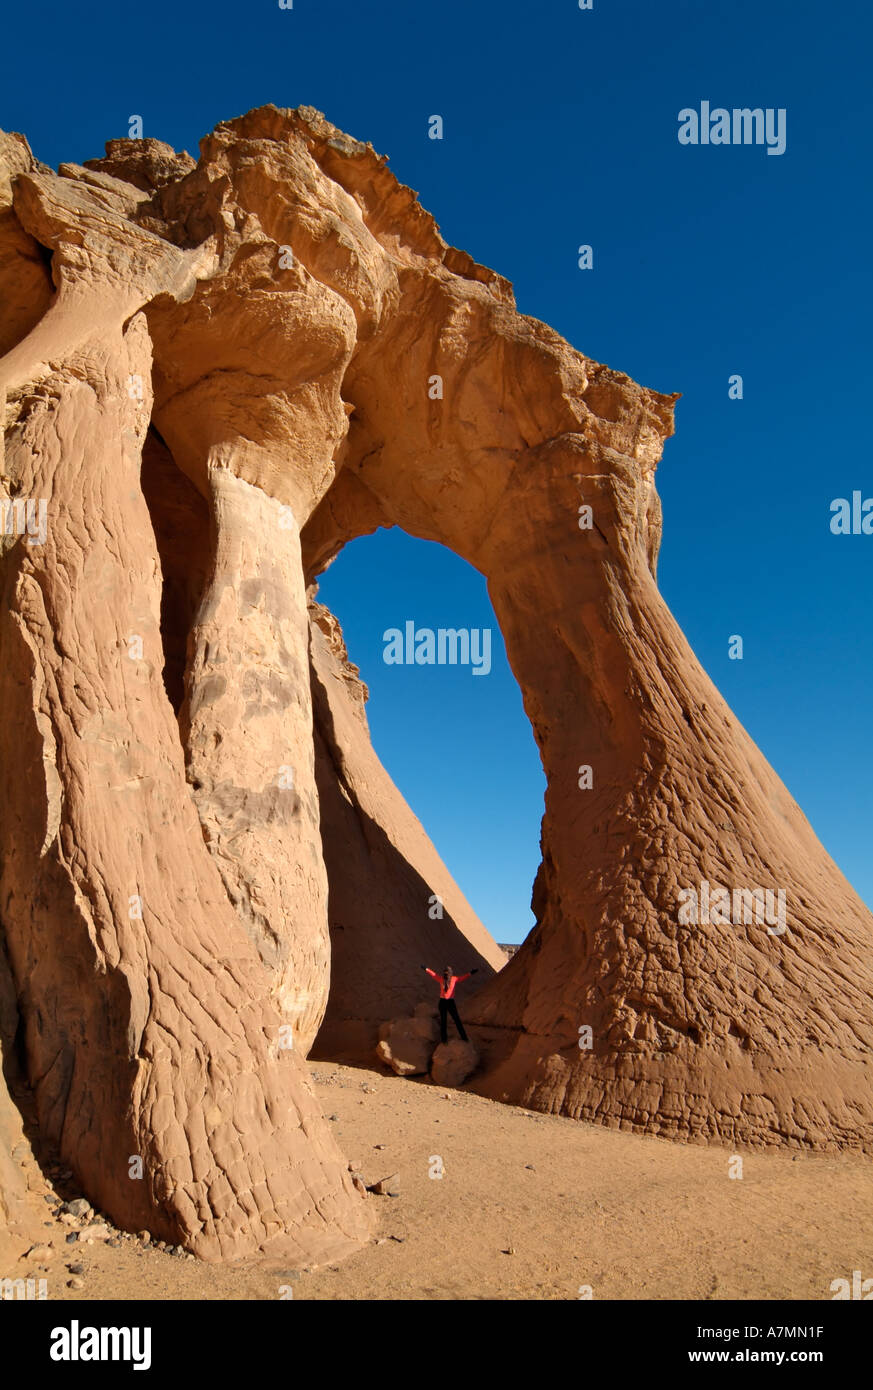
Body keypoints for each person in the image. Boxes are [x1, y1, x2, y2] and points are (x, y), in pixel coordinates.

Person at [421, 964, 479, 1044]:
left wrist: (471, 973)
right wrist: (426, 969)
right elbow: (433, 974)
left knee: (457, 1020)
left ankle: (464, 1037)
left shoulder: (454, 979)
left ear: (450, 973)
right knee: (444, 1021)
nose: (446, 974)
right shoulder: (441, 979)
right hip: (442, 1002)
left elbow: (463, 978)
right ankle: (444, 1040)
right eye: (445, 972)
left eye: (448, 972)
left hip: (450, 1002)